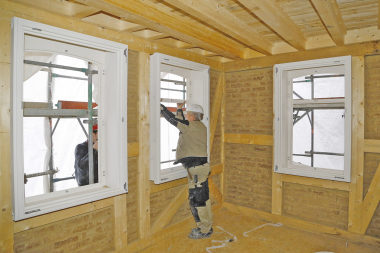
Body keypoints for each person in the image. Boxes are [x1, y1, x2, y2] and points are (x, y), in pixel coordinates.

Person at [160, 102, 213, 239]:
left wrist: (160, 106)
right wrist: (179, 108)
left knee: (198, 200)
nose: (185, 115)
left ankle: (205, 230)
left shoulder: (190, 126)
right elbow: (181, 122)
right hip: (200, 168)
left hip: (197, 169)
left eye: (187, 113)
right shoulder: (199, 126)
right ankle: (206, 226)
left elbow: (173, 120)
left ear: (193, 116)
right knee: (203, 198)